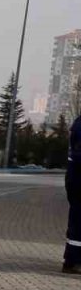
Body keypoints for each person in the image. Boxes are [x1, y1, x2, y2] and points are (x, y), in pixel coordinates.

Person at [64, 112, 81, 275]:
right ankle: (73, 262)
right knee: (78, 224)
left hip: (75, 180)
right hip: (78, 181)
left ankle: (72, 260)